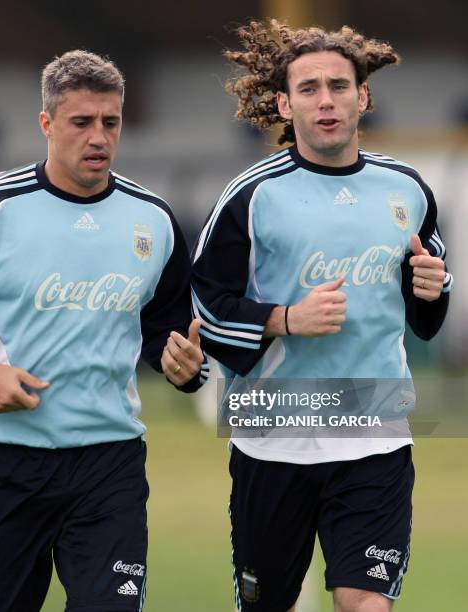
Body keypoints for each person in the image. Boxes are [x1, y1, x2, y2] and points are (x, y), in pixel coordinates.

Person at [0, 50, 208, 611]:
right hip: (3, 462)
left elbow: (165, 328)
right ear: (46, 124)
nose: (98, 137)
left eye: (110, 123)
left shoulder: (154, 220)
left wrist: (183, 365)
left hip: (110, 463)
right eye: (81, 122)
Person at [191, 21, 452, 612]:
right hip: (271, 441)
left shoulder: (407, 189)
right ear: (285, 103)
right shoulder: (249, 196)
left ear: (364, 96)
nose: (326, 100)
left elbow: (427, 306)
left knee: (367, 602)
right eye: (309, 88)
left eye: (339, 85)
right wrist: (284, 319)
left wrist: (432, 289)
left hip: (375, 437)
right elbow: (205, 304)